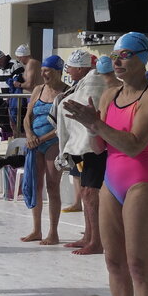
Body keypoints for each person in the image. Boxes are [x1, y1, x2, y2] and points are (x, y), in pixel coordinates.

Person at [62, 32, 148, 296]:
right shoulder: (109, 95)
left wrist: (96, 124)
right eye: (115, 55)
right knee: (113, 261)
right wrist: (92, 129)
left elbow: (135, 145)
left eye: (125, 55)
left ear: (142, 58)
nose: (118, 61)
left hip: (145, 182)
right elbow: (103, 148)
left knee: (138, 265)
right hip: (113, 179)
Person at [55, 50, 108, 255]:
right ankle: (89, 235)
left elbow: (87, 105)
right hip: (87, 146)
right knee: (86, 192)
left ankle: (97, 240)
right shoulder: (84, 82)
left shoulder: (94, 81)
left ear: (80, 68)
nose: (67, 71)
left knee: (90, 192)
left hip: (96, 146)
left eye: (69, 67)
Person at [21, 54, 67, 245]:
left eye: (47, 71)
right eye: (42, 71)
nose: (44, 74)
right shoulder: (38, 89)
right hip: (36, 142)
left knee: (52, 186)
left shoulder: (66, 92)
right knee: (36, 185)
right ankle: (36, 230)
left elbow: (63, 125)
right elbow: (27, 116)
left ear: (58, 71)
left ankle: (53, 232)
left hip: (53, 142)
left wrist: (40, 139)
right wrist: (30, 135)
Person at [0, 49, 25, 138]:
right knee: (6, 124)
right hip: (6, 101)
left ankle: (18, 142)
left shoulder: (14, 64)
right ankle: (9, 140)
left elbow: (19, 79)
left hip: (15, 101)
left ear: (3, 58)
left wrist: (11, 95)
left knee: (16, 124)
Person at [11, 44, 40, 136]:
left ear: (24, 55)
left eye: (19, 57)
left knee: (28, 124)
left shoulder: (31, 63)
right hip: (32, 97)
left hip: (32, 97)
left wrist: (18, 84)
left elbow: (30, 84)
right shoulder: (34, 63)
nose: (19, 60)